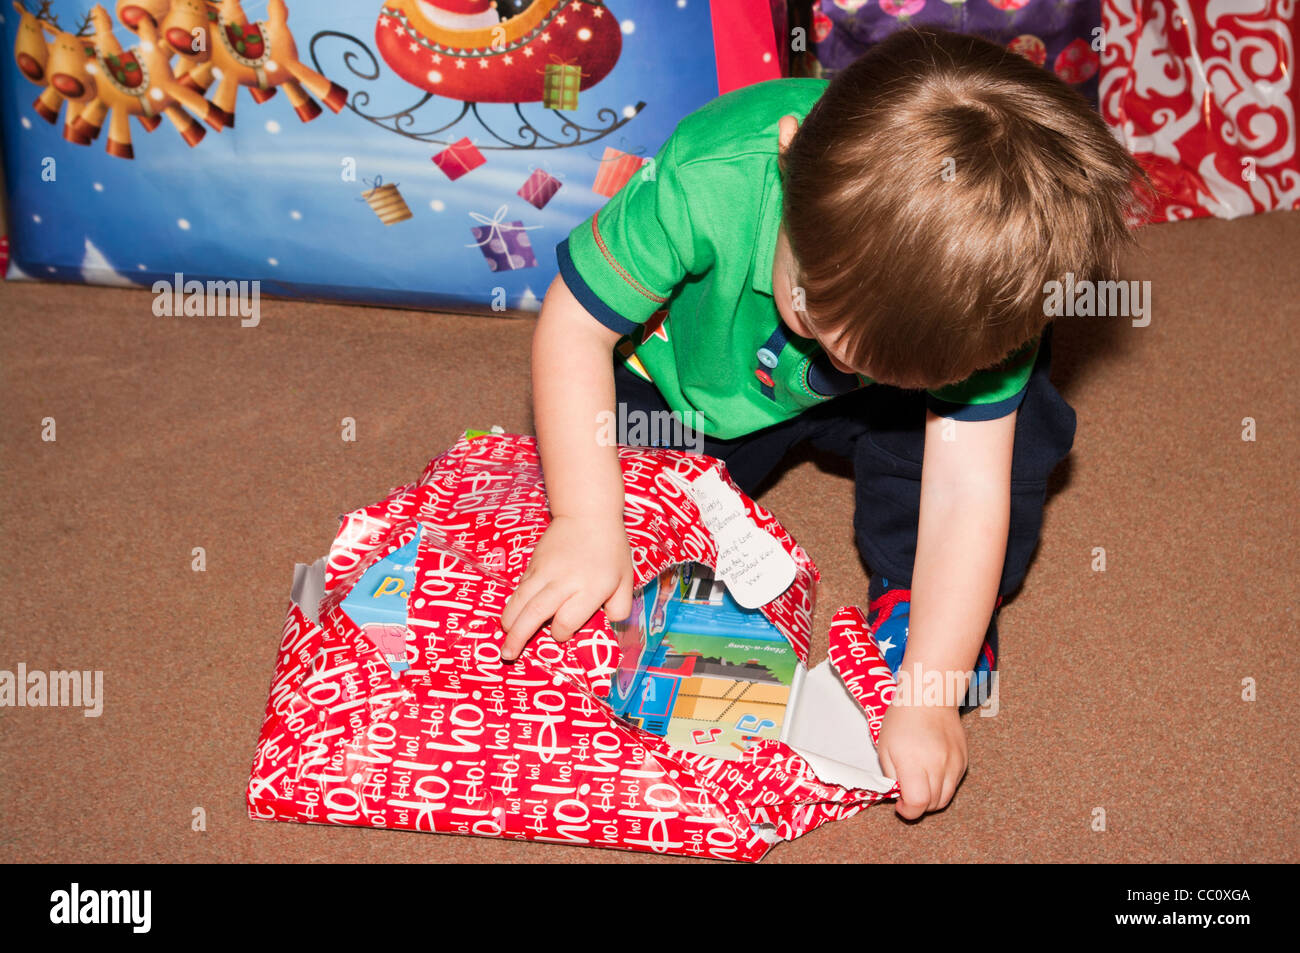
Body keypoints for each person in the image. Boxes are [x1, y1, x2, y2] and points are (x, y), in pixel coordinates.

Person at [499, 28, 1147, 820]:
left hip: (892, 416)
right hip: (690, 387)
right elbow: (574, 329)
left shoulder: (987, 280)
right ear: (787, 155)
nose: (841, 356)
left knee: (1021, 436)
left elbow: (967, 492)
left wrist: (930, 691)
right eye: (811, 305)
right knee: (593, 501)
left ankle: (915, 601)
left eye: (883, 357)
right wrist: (586, 516)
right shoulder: (713, 173)